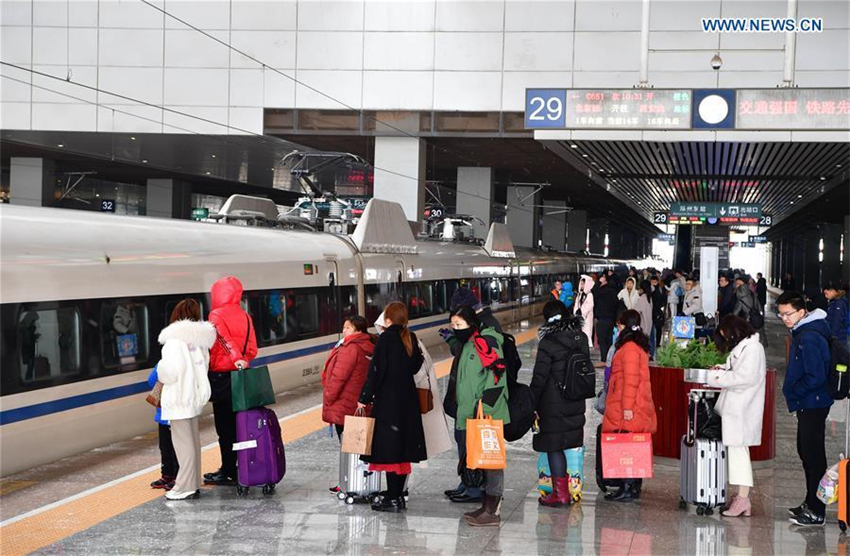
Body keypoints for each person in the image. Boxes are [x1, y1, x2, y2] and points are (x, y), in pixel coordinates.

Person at [358, 302, 426, 513]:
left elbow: (375, 371)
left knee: (390, 450)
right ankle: (396, 495)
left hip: (389, 403)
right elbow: (415, 366)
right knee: (402, 449)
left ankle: (393, 498)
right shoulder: (410, 337)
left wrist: (364, 397)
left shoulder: (386, 338)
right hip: (407, 402)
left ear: (387, 320)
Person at [446, 305, 509, 526]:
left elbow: (498, 378)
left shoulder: (486, 343)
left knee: (491, 462)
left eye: (459, 324)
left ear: (471, 323)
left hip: (486, 414)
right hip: (469, 413)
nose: (456, 329)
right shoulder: (467, 344)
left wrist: (485, 408)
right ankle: (485, 506)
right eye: (453, 325)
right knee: (479, 461)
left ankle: (493, 510)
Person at [777, 291, 833, 527]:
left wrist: (794, 391)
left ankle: (817, 511)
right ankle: (810, 502)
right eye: (781, 315)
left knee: (814, 456)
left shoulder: (809, 337)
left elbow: (815, 376)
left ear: (801, 312)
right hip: (810, 402)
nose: (784, 319)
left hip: (814, 402)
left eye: (788, 314)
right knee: (806, 452)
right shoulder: (804, 331)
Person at [705, 315, 766, 517]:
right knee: (737, 453)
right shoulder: (746, 347)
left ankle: (743, 499)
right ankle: (741, 496)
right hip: (737, 409)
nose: (727, 340)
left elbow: (744, 377)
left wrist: (717, 377)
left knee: (739, 454)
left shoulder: (753, 349)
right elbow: (740, 372)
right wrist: (723, 369)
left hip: (742, 409)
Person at [530, 300, 588, 507]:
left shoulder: (548, 342)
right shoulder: (581, 337)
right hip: (575, 399)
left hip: (552, 403)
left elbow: (540, 377)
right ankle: (565, 491)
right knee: (565, 442)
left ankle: (560, 494)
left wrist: (532, 402)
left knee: (554, 446)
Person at [157, 299, 215, 500]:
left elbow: (170, 374)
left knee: (183, 445)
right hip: (193, 398)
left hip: (178, 398)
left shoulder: (173, 342)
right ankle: (194, 482)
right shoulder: (200, 342)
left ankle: (184, 487)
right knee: (193, 443)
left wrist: (160, 369)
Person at [204, 276, 258, 486]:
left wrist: (235, 359)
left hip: (222, 378)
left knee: (225, 429)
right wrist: (243, 361)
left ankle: (228, 470)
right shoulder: (245, 316)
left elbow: (223, 339)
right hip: (242, 376)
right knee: (241, 425)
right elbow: (252, 348)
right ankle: (243, 466)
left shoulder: (215, 315)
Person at [602, 310, 657, 502]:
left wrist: (627, 408)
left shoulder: (630, 348)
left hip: (628, 403)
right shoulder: (637, 345)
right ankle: (633, 487)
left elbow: (631, 381)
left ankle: (626, 488)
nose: (617, 328)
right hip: (634, 402)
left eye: (619, 325)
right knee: (633, 444)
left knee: (626, 445)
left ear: (624, 325)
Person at [322, 315, 375, 492]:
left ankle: (349, 483)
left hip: (344, 404)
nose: (344, 331)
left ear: (358, 330)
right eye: (344, 327)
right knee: (360, 447)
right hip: (358, 403)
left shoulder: (350, 348)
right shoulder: (368, 344)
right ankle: (359, 482)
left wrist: (329, 397)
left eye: (348, 328)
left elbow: (339, 377)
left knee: (348, 447)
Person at [147, 363, 178, 492]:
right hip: (164, 415)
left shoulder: (168, 363)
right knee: (166, 448)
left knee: (173, 448)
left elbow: (151, 381)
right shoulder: (162, 363)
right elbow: (151, 381)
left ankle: (177, 476)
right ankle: (167, 474)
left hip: (176, 414)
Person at [593, 274, 618, 362]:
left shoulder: (599, 292)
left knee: (602, 341)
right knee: (609, 340)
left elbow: (593, 292)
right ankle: (609, 358)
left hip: (602, 319)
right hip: (611, 319)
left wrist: (599, 283)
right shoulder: (613, 292)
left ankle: (604, 359)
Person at [574, 275, 596, 351]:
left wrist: (582, 313)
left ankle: (587, 346)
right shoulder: (580, 294)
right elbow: (576, 304)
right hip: (580, 317)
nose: (582, 285)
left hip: (587, 318)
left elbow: (589, 306)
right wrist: (576, 313)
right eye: (581, 284)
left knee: (587, 332)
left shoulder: (589, 295)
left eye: (583, 284)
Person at [824, 283, 849, 348]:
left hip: (839, 336)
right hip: (837, 335)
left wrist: (833, 335)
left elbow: (837, 320)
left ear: (832, 291)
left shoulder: (839, 303)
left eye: (826, 293)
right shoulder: (833, 302)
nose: (826, 296)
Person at [634, 281, 654, 345]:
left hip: (643, 326)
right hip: (649, 326)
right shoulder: (649, 298)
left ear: (642, 289)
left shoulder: (642, 298)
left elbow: (634, 311)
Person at [649, 276, 666, 349]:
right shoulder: (649, 290)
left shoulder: (660, 289)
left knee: (658, 328)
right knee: (651, 327)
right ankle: (652, 343)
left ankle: (657, 343)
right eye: (652, 282)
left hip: (658, 311)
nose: (654, 283)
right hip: (651, 311)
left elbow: (664, 299)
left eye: (655, 282)